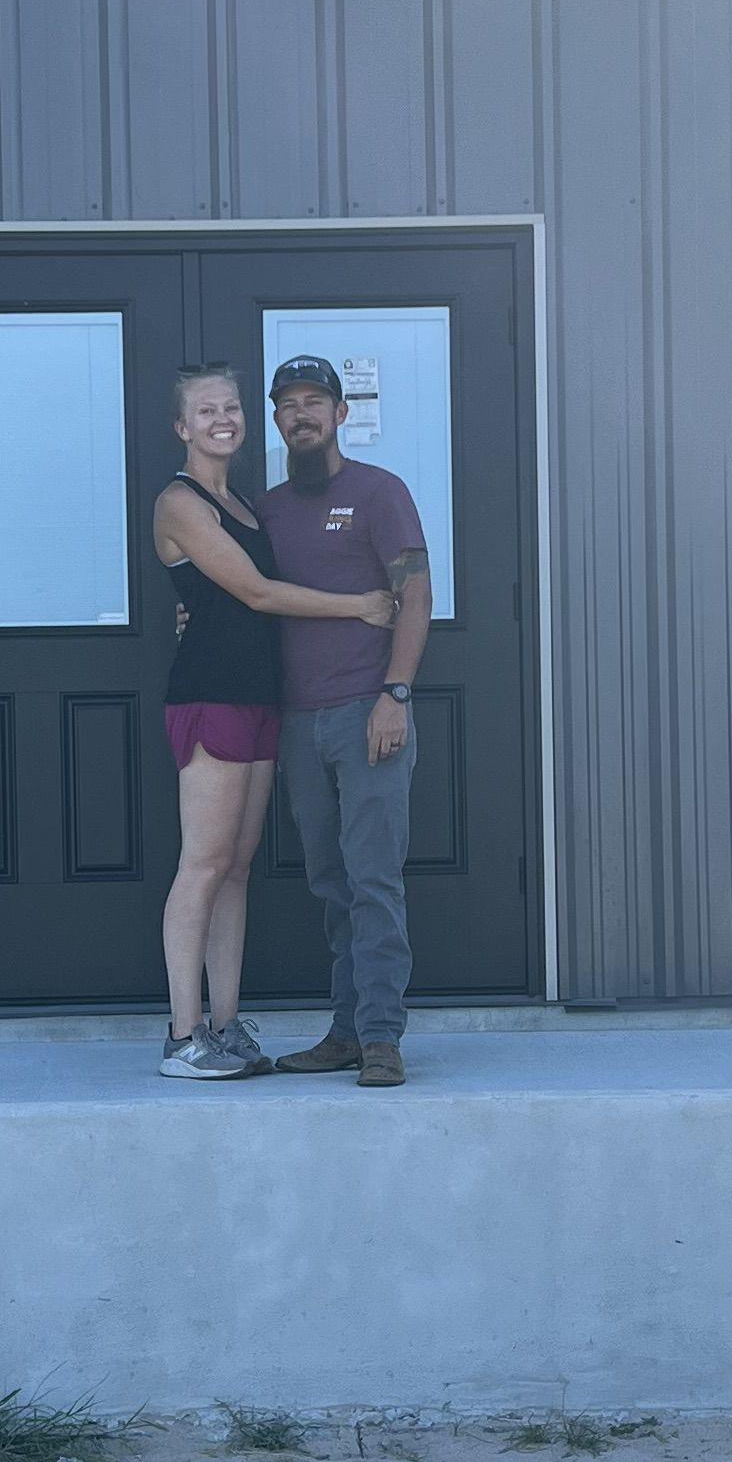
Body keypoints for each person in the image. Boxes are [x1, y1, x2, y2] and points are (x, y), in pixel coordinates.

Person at [150, 364, 396, 1081]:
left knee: (236, 867)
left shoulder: (249, 505)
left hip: (262, 698)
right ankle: (183, 1036)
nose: (222, 419)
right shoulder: (180, 501)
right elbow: (256, 593)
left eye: (231, 407)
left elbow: (226, 599)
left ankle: (226, 1027)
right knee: (202, 863)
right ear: (182, 427)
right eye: (205, 410)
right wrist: (359, 606)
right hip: (211, 696)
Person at [255, 352, 432, 1086]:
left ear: (340, 413)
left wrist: (396, 694)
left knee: (373, 881)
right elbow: (253, 595)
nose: (301, 415)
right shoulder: (266, 510)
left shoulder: (378, 493)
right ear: (277, 420)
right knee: (331, 882)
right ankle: (346, 1031)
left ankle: (382, 1037)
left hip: (368, 713)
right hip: (299, 722)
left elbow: (415, 596)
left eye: (313, 402)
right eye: (288, 404)